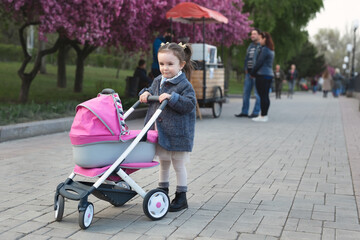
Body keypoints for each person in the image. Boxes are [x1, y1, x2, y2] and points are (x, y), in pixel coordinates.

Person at [139, 42, 196, 212]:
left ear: (181, 65)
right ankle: (162, 190)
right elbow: (149, 90)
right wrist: (145, 93)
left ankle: (181, 195)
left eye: (170, 64)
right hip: (161, 133)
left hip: (178, 133)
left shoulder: (184, 85)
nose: (165, 68)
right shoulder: (158, 80)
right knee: (163, 163)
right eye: (162, 64)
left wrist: (173, 98)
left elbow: (190, 104)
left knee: (178, 164)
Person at [235, 28, 261, 118]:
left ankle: (256, 112)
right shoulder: (250, 46)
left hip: (257, 74)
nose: (252, 35)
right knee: (246, 93)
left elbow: (261, 61)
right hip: (248, 74)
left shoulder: (261, 46)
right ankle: (244, 111)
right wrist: (246, 69)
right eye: (251, 34)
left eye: (254, 34)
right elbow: (247, 58)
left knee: (257, 94)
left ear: (258, 35)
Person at [250, 32, 275, 122]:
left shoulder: (265, 49)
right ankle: (264, 115)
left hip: (262, 75)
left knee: (262, 96)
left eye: (260, 39)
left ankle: (263, 116)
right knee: (265, 96)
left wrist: (252, 73)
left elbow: (259, 63)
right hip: (269, 75)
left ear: (265, 39)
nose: (259, 41)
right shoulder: (271, 50)